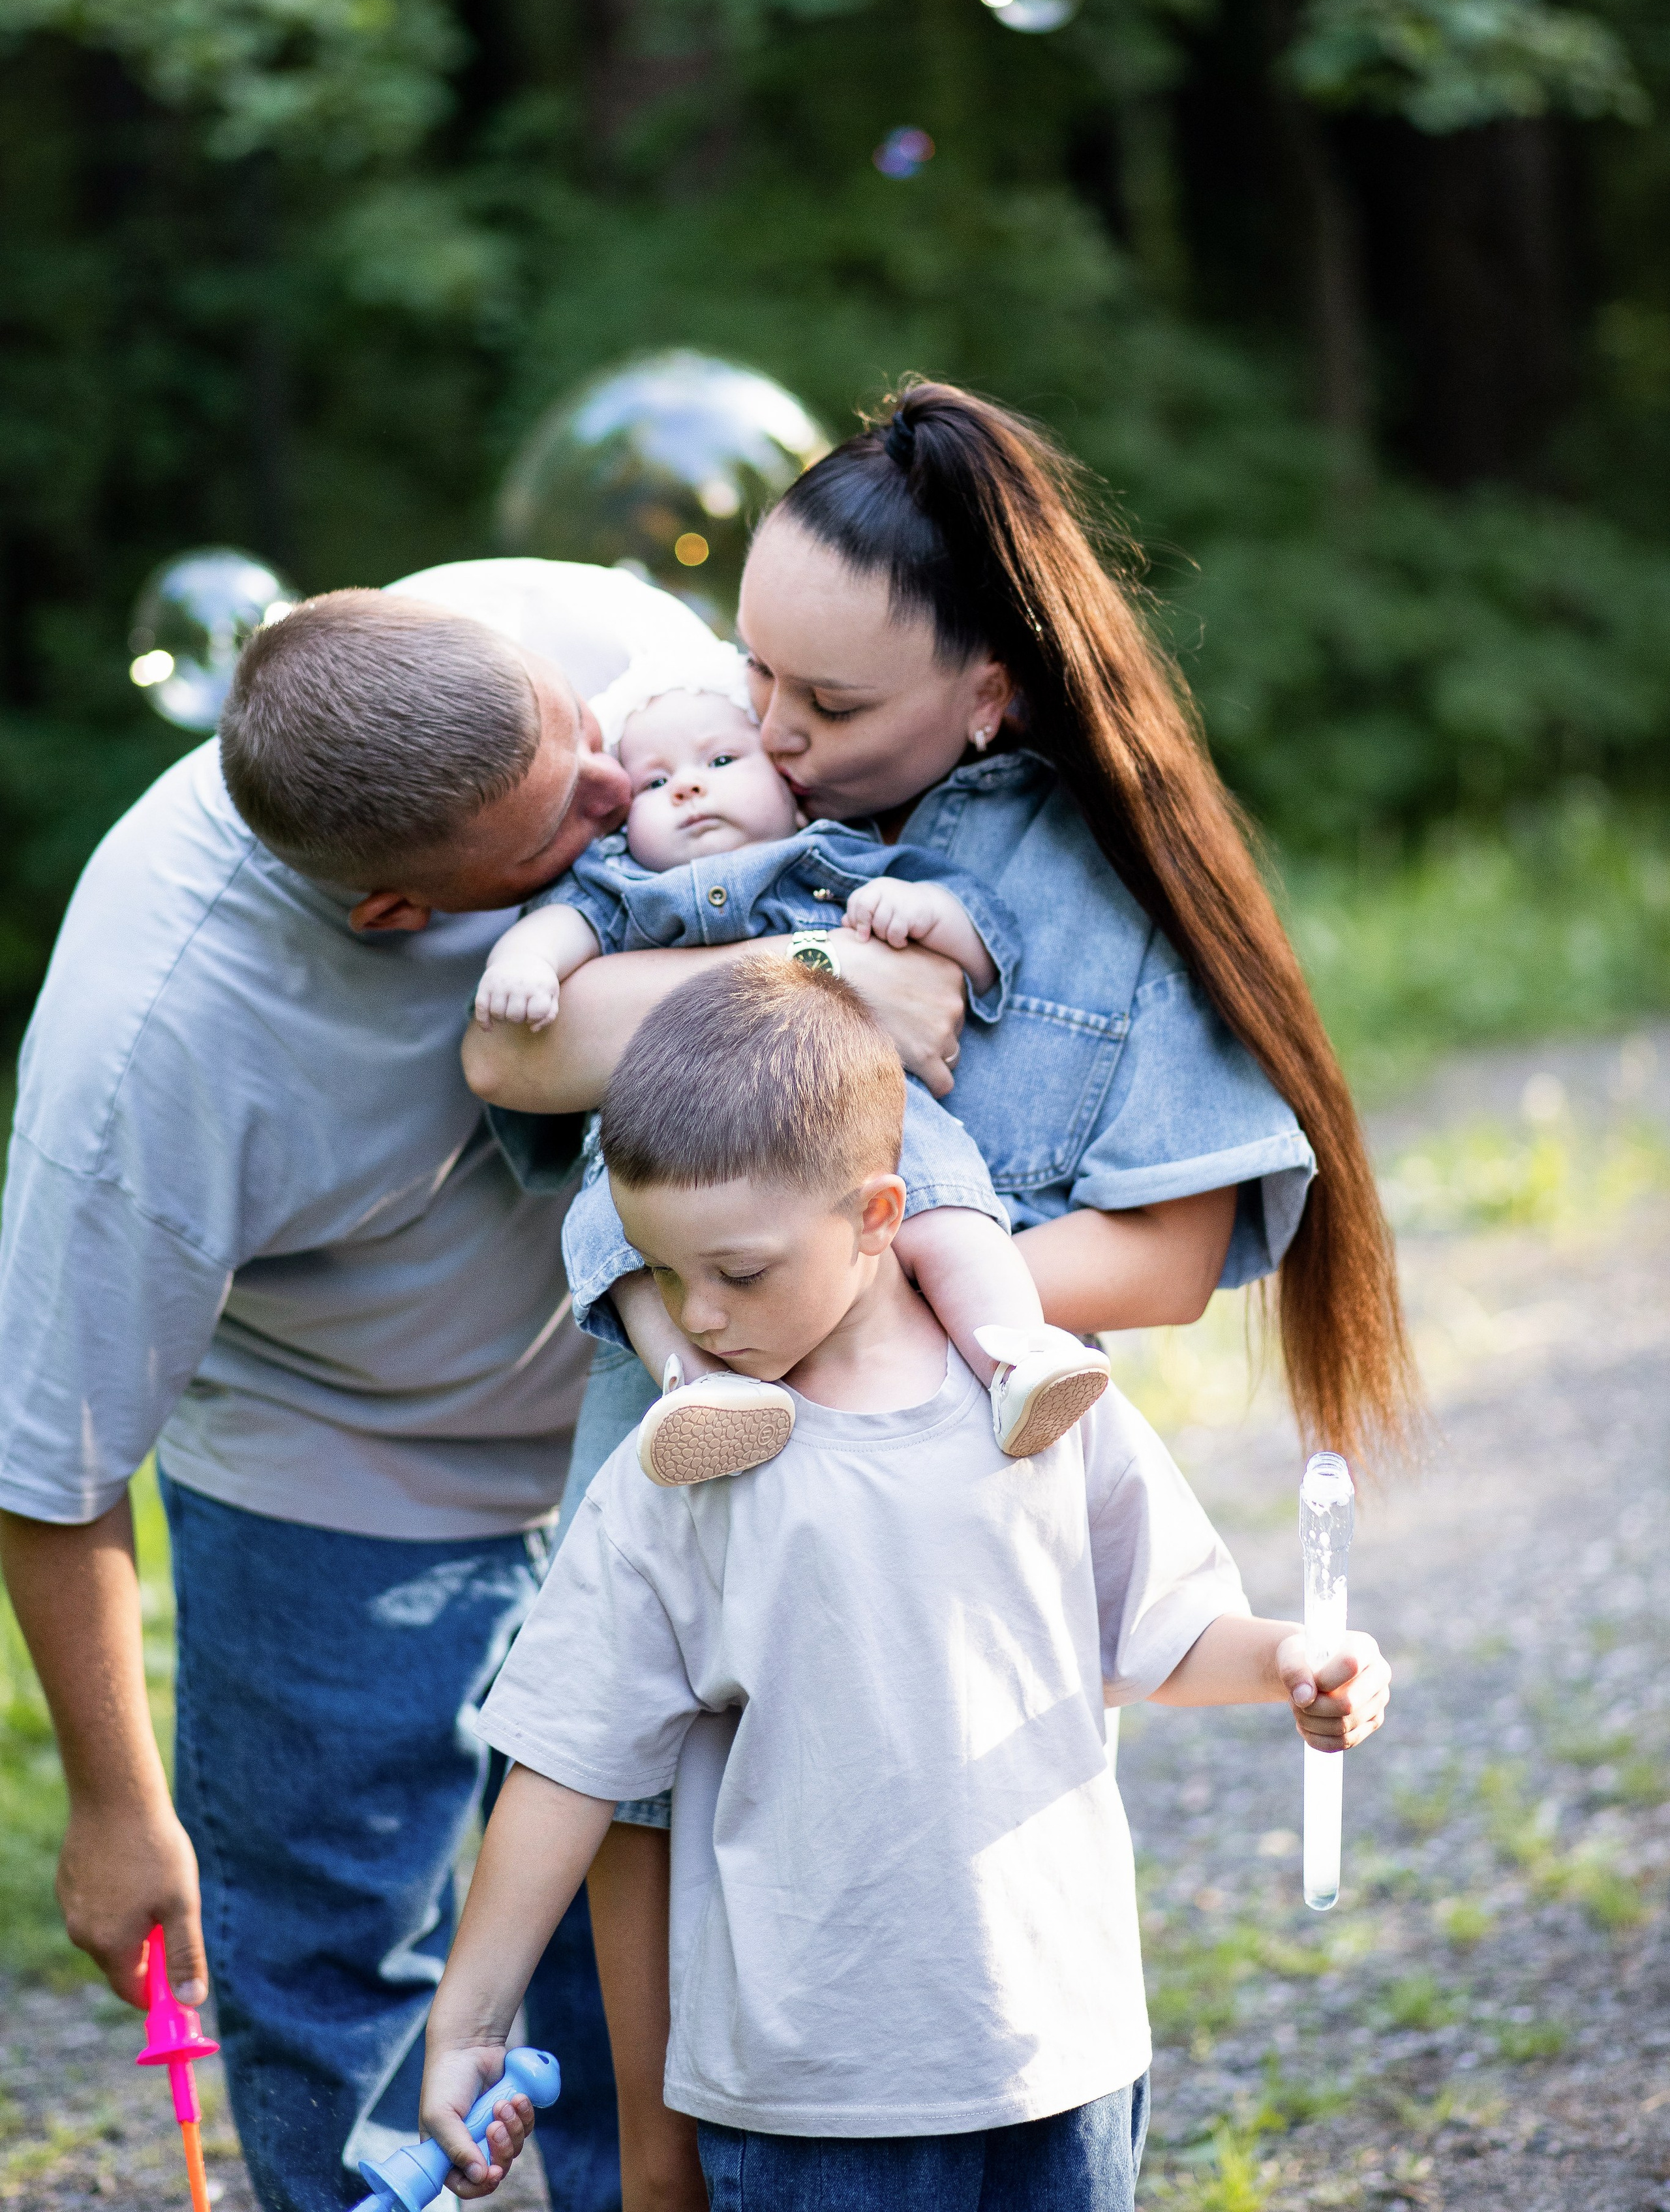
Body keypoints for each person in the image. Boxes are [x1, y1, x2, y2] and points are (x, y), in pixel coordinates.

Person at [461, 383, 1418, 2205]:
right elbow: (520, 1048)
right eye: (756, 673)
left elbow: (1168, 1252)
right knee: (643, 1942)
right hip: (683, 1461)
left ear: (987, 694)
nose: (770, 733)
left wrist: (858, 1314)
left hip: (931, 1490)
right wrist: (819, 963)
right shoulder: (713, 808)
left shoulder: (1089, 882)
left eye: (827, 707)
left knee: (905, 1939)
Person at [0, 560, 970, 2212]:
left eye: (584, 740)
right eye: (558, 826)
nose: (622, 796)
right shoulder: (150, 1056)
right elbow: (50, 1468)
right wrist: (112, 1804)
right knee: (336, 1944)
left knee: (630, 1922)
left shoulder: (590, 646)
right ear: (401, 914)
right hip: (346, 1461)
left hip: (645, 1413)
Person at [419, 958, 1391, 2211]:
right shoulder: (680, 1479)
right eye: (662, 1274)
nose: (698, 1320)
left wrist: (1292, 1663)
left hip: (1061, 2051)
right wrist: (469, 2023)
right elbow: (565, 1759)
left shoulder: (1041, 1410)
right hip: (810, 2099)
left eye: (740, 1274)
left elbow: (1166, 1630)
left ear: (879, 1216)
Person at [478, 637, 1113, 1476]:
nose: (688, 787)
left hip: (845, 1108)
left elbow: (979, 939)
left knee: (942, 1195)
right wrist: (524, 963)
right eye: (655, 782)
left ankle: (1016, 1354)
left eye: (721, 759)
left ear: (787, 782)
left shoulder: (829, 861)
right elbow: (560, 929)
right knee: (619, 1245)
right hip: (654, 1144)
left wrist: (922, 911)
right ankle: (701, 1395)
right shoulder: (618, 886)